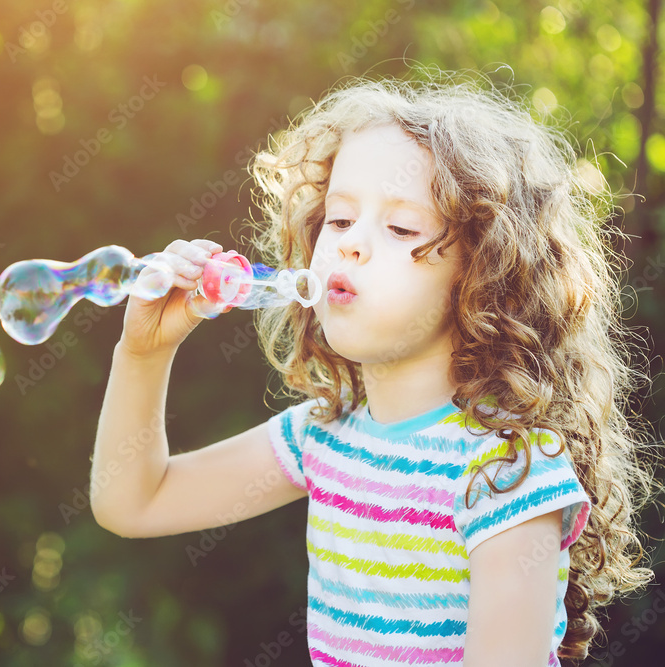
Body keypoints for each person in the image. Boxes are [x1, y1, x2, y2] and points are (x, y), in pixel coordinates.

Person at [89, 73, 658, 666]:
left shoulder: (508, 474)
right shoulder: (323, 437)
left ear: (484, 277)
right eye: (338, 219)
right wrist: (144, 352)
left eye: (401, 227)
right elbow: (134, 502)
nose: (350, 244)